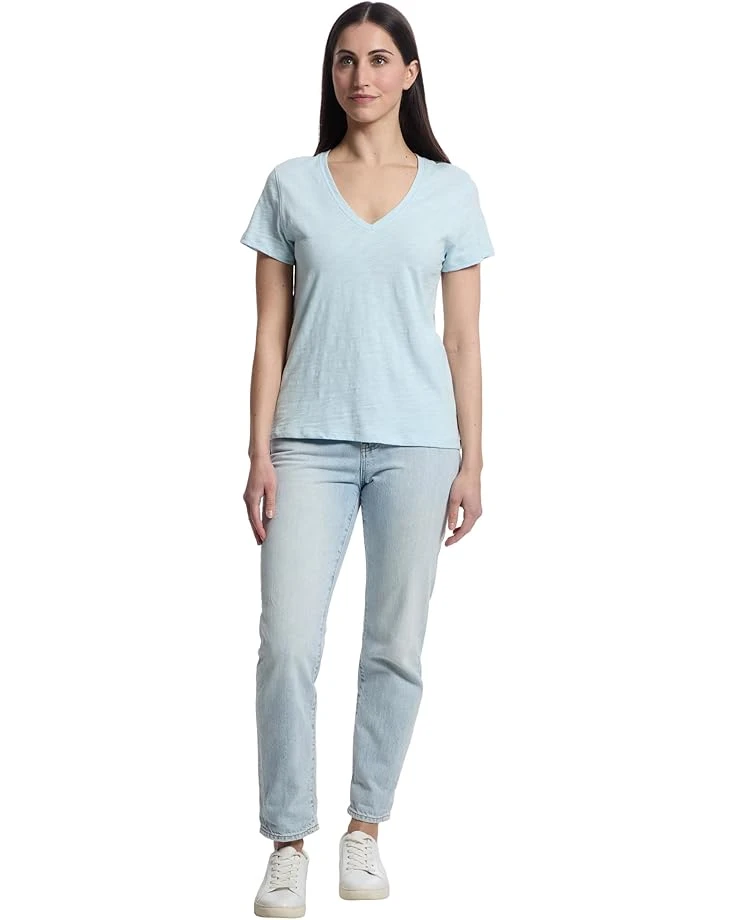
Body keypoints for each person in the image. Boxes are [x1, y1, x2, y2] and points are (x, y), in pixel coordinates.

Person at [240, 3, 494, 916]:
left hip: (420, 443)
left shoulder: (451, 191)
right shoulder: (290, 185)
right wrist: (258, 451)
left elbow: (462, 340)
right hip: (306, 440)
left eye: (381, 60)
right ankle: (287, 842)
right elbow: (270, 335)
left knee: (395, 645)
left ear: (410, 74)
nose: (362, 77)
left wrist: (473, 462)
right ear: (332, 75)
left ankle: (366, 830)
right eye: (346, 61)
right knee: (287, 644)